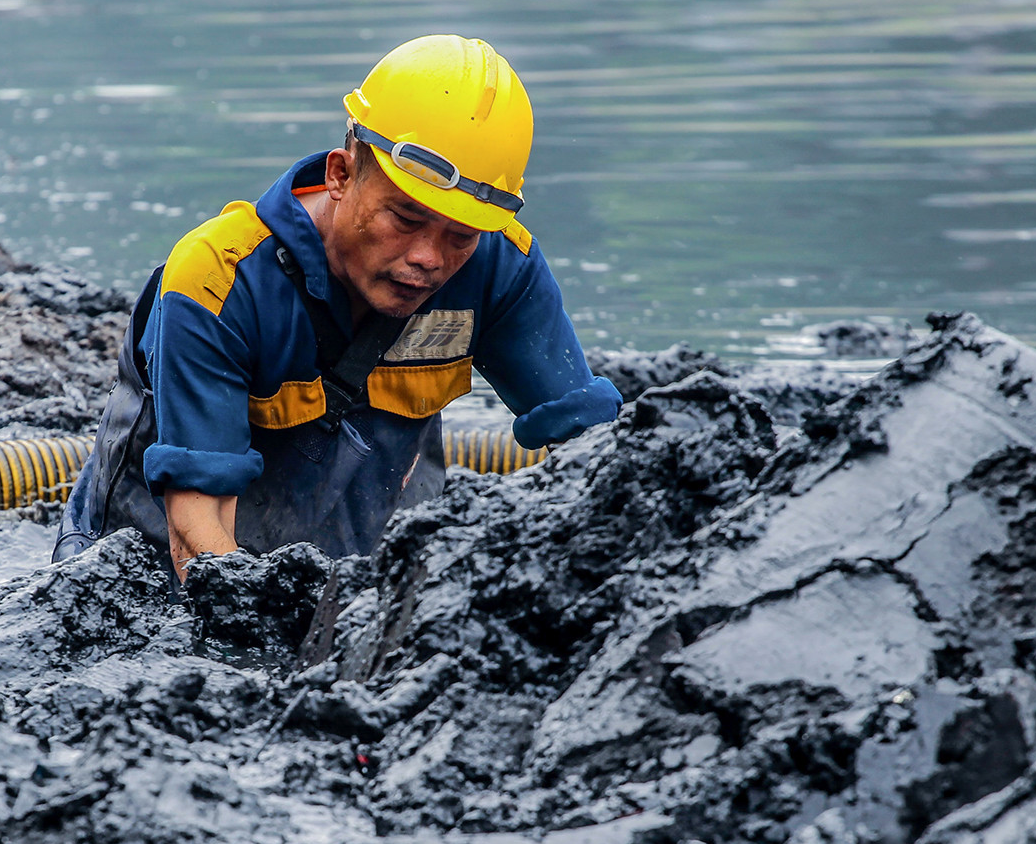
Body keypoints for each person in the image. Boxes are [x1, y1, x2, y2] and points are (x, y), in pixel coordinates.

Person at [54, 34, 622, 578]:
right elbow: (196, 529)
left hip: (361, 578)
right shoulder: (218, 281)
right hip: (148, 580)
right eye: (404, 218)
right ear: (341, 174)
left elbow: (596, 448)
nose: (429, 257)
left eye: (462, 234)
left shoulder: (502, 266)